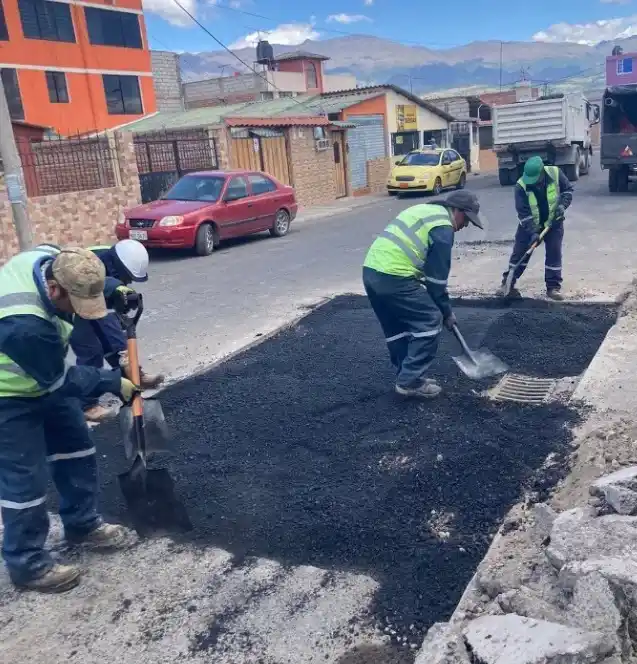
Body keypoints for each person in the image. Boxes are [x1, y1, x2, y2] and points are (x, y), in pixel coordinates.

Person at [0, 246, 140, 593]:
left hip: (44, 380)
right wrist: (112, 381)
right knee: (26, 480)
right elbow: (62, 381)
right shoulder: (23, 324)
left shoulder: (54, 258)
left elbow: (91, 264)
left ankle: (81, 524)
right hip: (9, 395)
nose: (79, 315)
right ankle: (27, 563)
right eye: (74, 305)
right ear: (53, 290)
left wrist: (111, 288)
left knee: (77, 449)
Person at [362, 190, 484, 398]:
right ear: (456, 210)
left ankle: (407, 375)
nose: (465, 226)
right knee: (429, 319)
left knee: (396, 327)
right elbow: (436, 282)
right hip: (394, 276)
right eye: (466, 219)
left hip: (371, 272)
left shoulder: (426, 211)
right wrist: (445, 312)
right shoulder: (443, 230)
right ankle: (409, 381)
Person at [68, 240, 163, 422]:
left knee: (114, 344)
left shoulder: (113, 260)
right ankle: (87, 405)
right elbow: (101, 282)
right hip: (73, 305)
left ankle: (131, 386)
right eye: (126, 277)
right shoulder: (93, 263)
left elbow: (109, 296)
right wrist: (118, 289)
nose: (127, 281)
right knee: (91, 350)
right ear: (120, 265)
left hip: (92, 303)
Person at [497, 156, 573, 301]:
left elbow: (568, 191)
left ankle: (553, 287)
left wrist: (563, 205)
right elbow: (524, 214)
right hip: (529, 225)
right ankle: (507, 283)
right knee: (520, 254)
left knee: (554, 253)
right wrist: (533, 232)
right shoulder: (521, 186)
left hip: (553, 223)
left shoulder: (555, 173)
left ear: (542, 173)